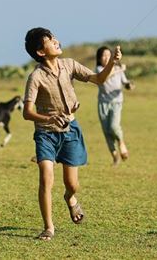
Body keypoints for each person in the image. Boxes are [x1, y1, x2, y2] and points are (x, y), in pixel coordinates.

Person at [22, 27, 121, 241]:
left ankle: (70, 197)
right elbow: (27, 112)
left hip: (70, 131)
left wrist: (111, 62)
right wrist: (48, 118)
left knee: (72, 184)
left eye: (54, 37)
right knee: (46, 179)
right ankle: (49, 227)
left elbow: (99, 79)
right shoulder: (36, 77)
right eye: (50, 40)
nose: (56, 41)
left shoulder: (69, 65)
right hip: (45, 134)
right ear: (40, 52)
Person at [95, 46, 134, 165]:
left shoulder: (118, 69)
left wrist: (129, 85)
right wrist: (119, 69)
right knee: (106, 131)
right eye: (104, 55)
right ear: (99, 58)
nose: (106, 58)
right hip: (103, 103)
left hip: (116, 102)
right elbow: (105, 76)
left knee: (113, 126)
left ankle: (121, 143)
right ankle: (115, 156)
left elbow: (125, 82)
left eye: (109, 55)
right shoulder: (99, 69)